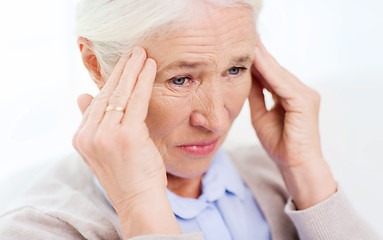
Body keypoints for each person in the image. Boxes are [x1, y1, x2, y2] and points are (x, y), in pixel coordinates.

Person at [0, 0, 380, 239]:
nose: (216, 120)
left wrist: (307, 174)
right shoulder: (39, 229)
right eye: (180, 78)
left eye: (235, 68)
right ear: (95, 64)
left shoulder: (276, 176)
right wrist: (140, 207)